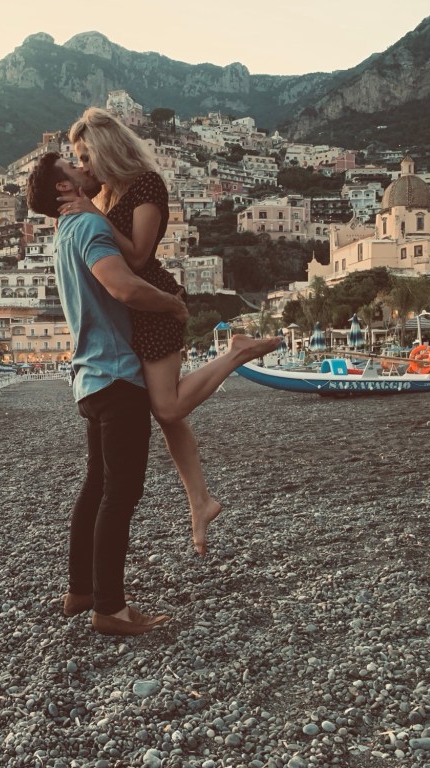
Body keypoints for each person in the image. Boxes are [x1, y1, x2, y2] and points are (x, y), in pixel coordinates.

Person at [59, 107, 281, 556]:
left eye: (85, 157)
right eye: (77, 159)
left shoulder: (147, 185)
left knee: (168, 406)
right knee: (167, 416)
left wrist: (94, 214)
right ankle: (199, 501)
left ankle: (235, 353)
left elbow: (139, 257)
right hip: (133, 314)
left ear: (106, 149)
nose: (83, 167)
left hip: (155, 305)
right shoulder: (110, 196)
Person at [27, 151, 188, 636]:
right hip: (117, 375)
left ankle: (81, 591)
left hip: (89, 379)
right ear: (63, 188)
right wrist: (172, 304)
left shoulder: (63, 232)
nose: (87, 169)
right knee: (121, 492)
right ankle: (111, 609)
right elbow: (123, 288)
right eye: (75, 167)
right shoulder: (90, 227)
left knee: (97, 485)